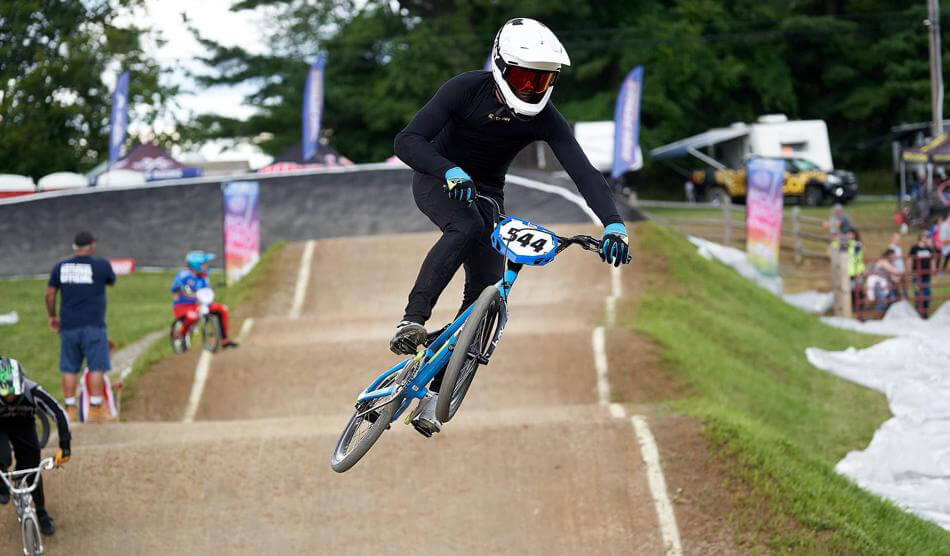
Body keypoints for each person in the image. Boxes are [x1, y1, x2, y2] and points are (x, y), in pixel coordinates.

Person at [390, 18, 630, 437]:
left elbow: (583, 172)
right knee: (463, 228)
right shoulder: (465, 88)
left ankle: (431, 392)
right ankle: (411, 321)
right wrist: (447, 170)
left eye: (543, 81)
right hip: (438, 177)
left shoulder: (546, 118)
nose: (533, 88)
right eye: (525, 77)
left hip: (487, 192)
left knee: (488, 293)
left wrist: (614, 224)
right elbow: (407, 141)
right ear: (501, 65)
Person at [46, 231, 116, 423]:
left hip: (68, 325)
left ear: (75, 248)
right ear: (92, 246)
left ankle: (69, 408)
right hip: (94, 324)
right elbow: (111, 282)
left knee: (68, 367)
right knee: (96, 366)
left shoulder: (60, 267)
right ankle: (95, 408)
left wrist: (53, 316)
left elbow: (50, 294)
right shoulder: (101, 265)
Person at [0, 357, 71, 536]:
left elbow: (59, 413)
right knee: (3, 456)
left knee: (32, 468)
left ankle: (41, 512)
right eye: (5, 396)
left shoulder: (33, 391)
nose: (10, 398)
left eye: (15, 394)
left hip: (23, 425)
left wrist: (65, 446)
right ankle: (1, 484)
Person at [170, 251, 239, 349]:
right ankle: (181, 335)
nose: (206, 266)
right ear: (196, 265)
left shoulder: (204, 276)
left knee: (222, 310)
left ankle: (225, 340)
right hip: (185, 306)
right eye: (204, 264)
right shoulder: (183, 276)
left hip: (202, 304)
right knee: (192, 316)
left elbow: (206, 290)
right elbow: (176, 290)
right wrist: (185, 293)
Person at [866, 248, 903, 316]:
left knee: (892, 298)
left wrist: (897, 279)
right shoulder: (883, 261)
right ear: (888, 255)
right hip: (876, 283)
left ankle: (887, 314)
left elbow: (892, 276)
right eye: (893, 256)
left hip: (882, 283)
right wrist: (901, 274)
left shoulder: (888, 263)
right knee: (881, 299)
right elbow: (893, 270)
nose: (894, 258)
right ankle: (876, 316)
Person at [909, 231, 937, 318]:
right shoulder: (914, 248)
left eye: (927, 236)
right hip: (917, 275)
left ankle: (925, 313)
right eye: (925, 236)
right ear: (920, 237)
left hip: (927, 275)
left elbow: (932, 261)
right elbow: (909, 260)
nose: (926, 238)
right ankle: (918, 313)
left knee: (927, 293)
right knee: (919, 294)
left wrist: (934, 275)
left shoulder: (929, 249)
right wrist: (910, 273)